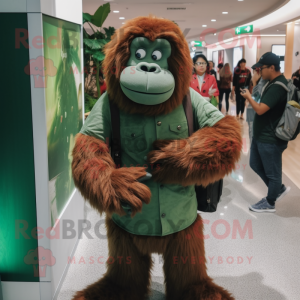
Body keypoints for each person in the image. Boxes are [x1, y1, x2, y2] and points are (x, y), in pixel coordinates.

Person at [240, 52, 291, 213]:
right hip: (261, 135)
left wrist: (248, 96)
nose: (260, 71)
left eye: (261, 68)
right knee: (255, 164)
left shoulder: (278, 86)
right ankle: (278, 189)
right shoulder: (271, 82)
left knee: (272, 172)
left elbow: (261, 110)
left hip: (271, 138)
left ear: (272, 67)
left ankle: (270, 202)